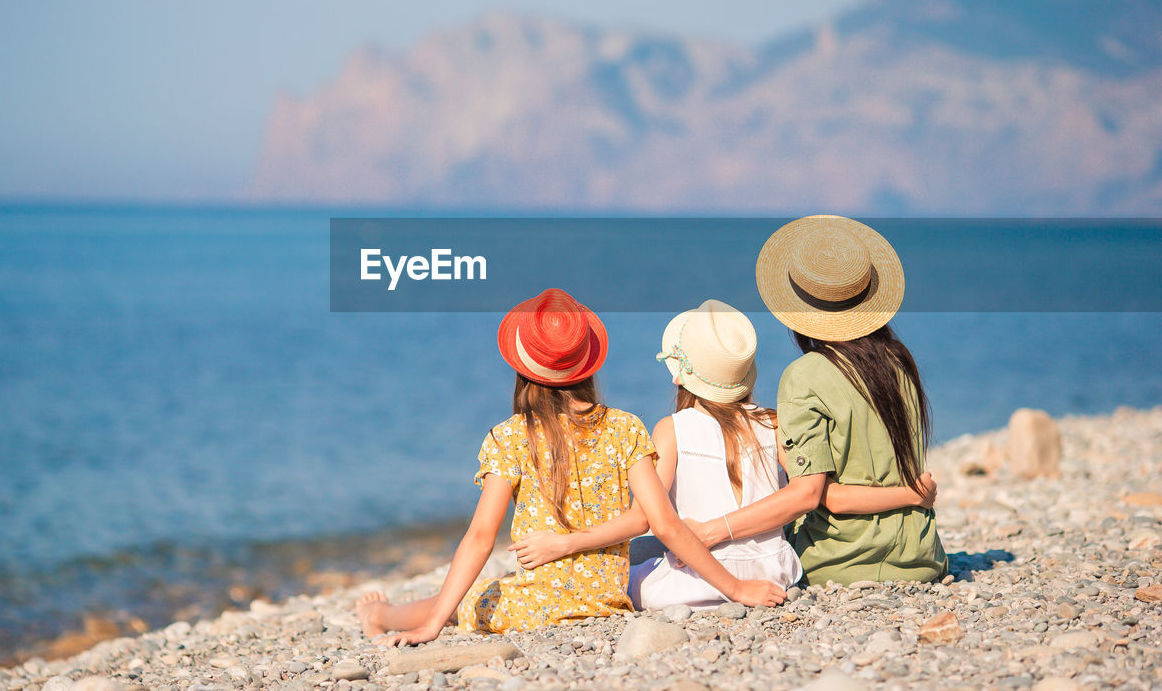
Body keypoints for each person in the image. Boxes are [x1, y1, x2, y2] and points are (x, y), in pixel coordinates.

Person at [355, 288, 785, 646]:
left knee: (470, 598)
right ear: (587, 364)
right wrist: (736, 588)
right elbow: (664, 524)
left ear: (523, 367)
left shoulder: (509, 437)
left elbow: (480, 538)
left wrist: (431, 629)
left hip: (536, 605)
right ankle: (389, 613)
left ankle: (383, 615)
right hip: (608, 599)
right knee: (485, 590)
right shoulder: (625, 427)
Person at [510, 298, 934, 609]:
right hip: (778, 572)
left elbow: (644, 518)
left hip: (698, 583)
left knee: (627, 564)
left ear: (678, 376)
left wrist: (562, 543)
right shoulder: (772, 422)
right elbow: (808, 493)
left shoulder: (670, 430)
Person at [685, 216, 947, 585]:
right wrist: (911, 494)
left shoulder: (805, 375)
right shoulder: (899, 361)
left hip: (841, 562)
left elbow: (818, 497)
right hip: (921, 557)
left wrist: (709, 532)